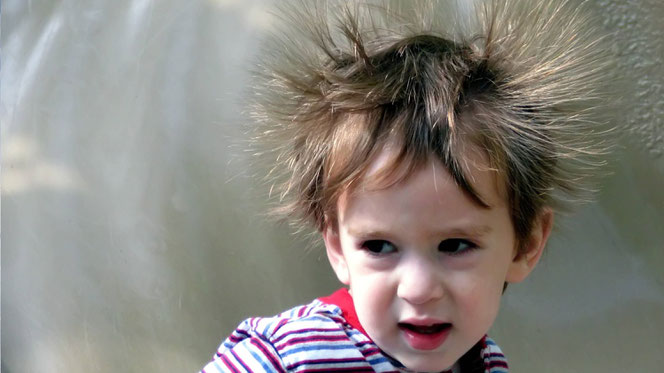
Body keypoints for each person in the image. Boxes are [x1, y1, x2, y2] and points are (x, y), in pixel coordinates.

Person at [201, 0, 611, 372]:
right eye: (378, 247)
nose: (418, 289)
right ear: (337, 245)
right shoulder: (287, 356)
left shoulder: (486, 365)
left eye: (454, 245)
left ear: (526, 244)